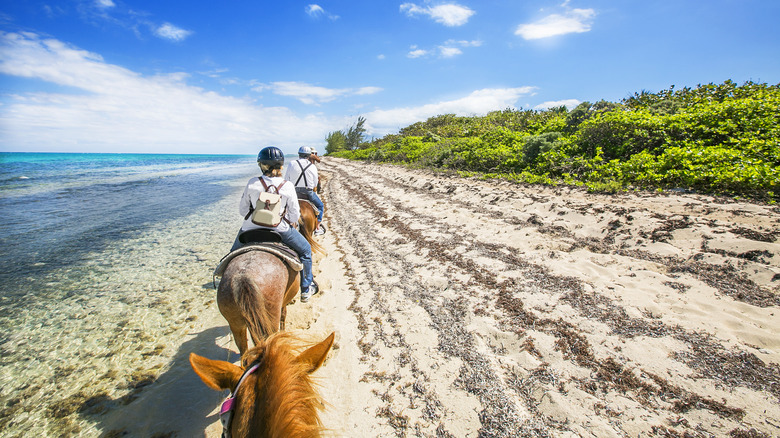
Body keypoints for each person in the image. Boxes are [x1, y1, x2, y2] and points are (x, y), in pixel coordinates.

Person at [231, 146, 318, 302]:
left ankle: (221, 274)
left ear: (261, 165)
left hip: (250, 228)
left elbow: (243, 211)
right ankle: (306, 288)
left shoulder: (252, 182)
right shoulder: (287, 185)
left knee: (231, 256)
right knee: (305, 250)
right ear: (281, 165)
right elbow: (294, 215)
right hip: (280, 229)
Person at [284, 146, 325, 235]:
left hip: (294, 192)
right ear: (309, 155)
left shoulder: (292, 163)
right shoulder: (312, 166)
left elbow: (286, 180)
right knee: (320, 206)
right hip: (308, 192)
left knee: (282, 207)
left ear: (299, 154)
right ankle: (317, 227)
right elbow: (314, 183)